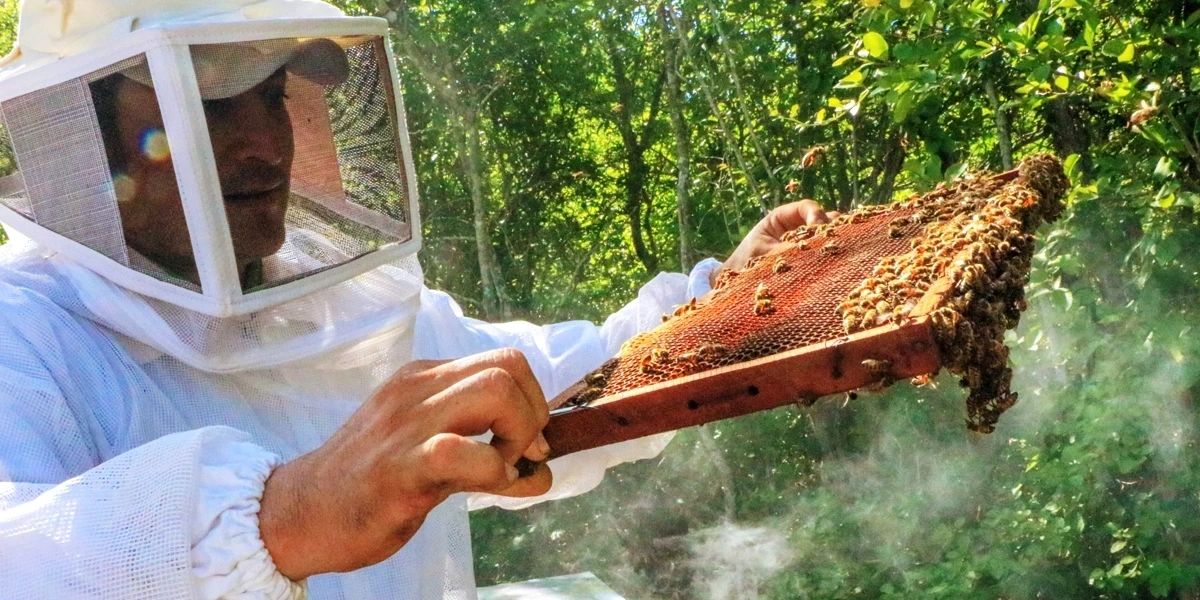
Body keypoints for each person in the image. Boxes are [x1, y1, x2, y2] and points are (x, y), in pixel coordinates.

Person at [0, 1, 834, 598]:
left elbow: (555, 390)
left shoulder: (347, 310)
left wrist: (723, 304)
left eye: (273, 97)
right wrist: (279, 516)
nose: (265, 144)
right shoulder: (23, 336)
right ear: (73, 134)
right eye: (212, 102)